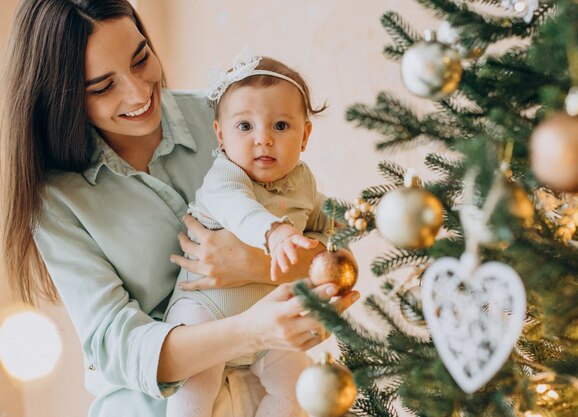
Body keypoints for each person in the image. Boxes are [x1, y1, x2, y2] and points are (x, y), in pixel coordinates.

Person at [0, 1, 360, 417]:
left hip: (279, 393)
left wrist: (254, 264)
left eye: (141, 59)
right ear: (61, 98)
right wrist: (248, 330)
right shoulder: (57, 200)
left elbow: (335, 248)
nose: (137, 93)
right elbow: (116, 347)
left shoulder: (233, 115)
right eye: (102, 87)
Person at [165, 52, 332, 417]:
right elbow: (238, 209)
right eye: (245, 127)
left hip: (269, 324)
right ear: (220, 135)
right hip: (206, 313)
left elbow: (323, 219)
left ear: (304, 135)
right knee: (193, 393)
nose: (263, 140)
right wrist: (275, 234)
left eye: (281, 126)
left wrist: (341, 231)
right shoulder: (224, 177)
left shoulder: (303, 181)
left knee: (297, 389)